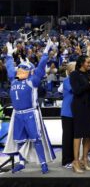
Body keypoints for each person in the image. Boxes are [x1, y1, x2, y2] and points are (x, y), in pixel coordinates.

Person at [4, 40, 56, 174]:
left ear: (29, 71)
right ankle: (21, 162)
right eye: (19, 67)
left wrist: (46, 51)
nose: (19, 69)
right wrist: (9, 54)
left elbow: (41, 67)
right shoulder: (13, 80)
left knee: (36, 139)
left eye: (23, 68)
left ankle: (43, 163)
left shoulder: (32, 81)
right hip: (17, 115)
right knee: (19, 140)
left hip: (30, 114)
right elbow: (9, 67)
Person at [70, 54, 90, 173]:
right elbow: (77, 91)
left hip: (89, 106)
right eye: (88, 62)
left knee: (89, 134)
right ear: (82, 63)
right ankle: (75, 161)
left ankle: (85, 159)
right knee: (78, 134)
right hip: (79, 106)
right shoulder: (74, 74)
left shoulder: (89, 74)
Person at [58, 62, 76, 169]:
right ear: (70, 71)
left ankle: (74, 159)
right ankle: (66, 161)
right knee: (68, 137)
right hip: (67, 113)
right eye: (75, 68)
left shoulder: (76, 80)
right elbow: (75, 90)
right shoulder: (66, 81)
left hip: (76, 113)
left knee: (74, 137)